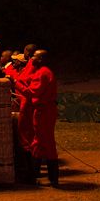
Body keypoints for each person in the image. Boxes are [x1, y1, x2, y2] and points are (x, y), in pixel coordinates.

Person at [25, 48, 59, 186]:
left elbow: (33, 91)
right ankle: (35, 175)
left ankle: (52, 177)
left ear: (41, 59)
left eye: (34, 57)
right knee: (38, 142)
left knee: (44, 142)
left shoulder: (43, 73)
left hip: (44, 111)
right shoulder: (43, 72)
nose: (32, 59)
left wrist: (16, 84)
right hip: (44, 110)